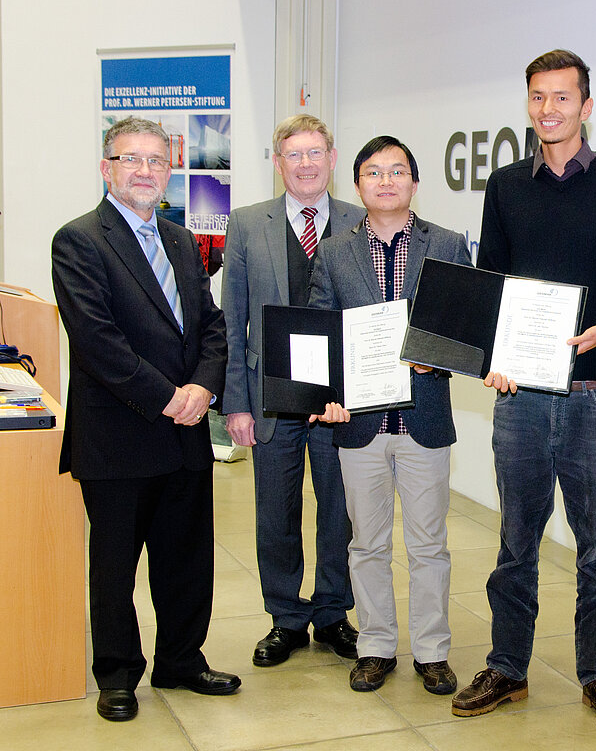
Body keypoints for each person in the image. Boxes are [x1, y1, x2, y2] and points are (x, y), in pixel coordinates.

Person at [451, 49, 596, 731]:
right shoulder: (505, 186)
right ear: (529, 104)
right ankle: (507, 667)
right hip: (521, 395)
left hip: (595, 392)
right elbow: (492, 282)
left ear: (586, 106)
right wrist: (493, 357)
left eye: (562, 97)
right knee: (516, 540)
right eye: (538, 98)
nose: (549, 109)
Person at [51, 117, 237, 722]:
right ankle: (117, 674)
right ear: (107, 167)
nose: (145, 170)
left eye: (157, 160)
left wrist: (203, 387)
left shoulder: (181, 241)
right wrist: (169, 397)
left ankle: (181, 661)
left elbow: (211, 325)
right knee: (115, 567)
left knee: (186, 560)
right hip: (119, 434)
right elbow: (97, 341)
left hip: (185, 433)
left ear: (169, 171)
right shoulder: (79, 240)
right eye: (131, 159)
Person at [308, 136, 471, 695]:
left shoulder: (447, 244)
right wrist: (326, 395)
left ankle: (431, 651)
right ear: (357, 185)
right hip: (359, 423)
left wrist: (438, 358)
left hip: (425, 419)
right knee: (367, 544)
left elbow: (465, 328)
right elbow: (321, 332)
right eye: (374, 172)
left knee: (429, 545)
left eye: (397, 171)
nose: (386, 181)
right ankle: (375, 646)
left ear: (414, 183)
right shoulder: (334, 252)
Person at [221, 114, 363, 667]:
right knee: (275, 513)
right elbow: (232, 320)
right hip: (271, 398)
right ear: (278, 163)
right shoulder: (246, 223)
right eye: (294, 155)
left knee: (338, 511)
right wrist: (236, 403)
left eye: (314, 153)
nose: (305, 164)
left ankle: (332, 613)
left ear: (332, 159)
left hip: (338, 400)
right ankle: (285, 617)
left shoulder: (359, 220)